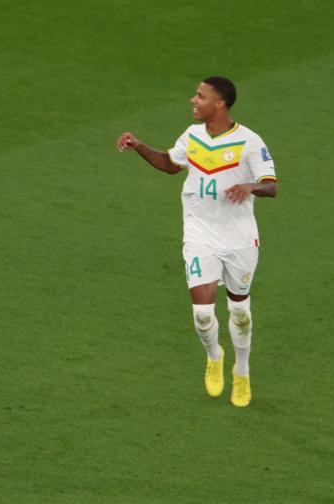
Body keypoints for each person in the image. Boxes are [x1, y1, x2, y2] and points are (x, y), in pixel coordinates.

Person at [117, 76, 277, 407]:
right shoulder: (192, 137)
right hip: (200, 235)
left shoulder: (248, 142)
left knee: (239, 310)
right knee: (203, 315)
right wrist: (139, 146)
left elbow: (271, 185)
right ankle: (214, 355)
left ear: (220, 104)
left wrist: (250, 187)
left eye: (200, 96)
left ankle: (242, 370)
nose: (193, 100)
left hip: (239, 239)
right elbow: (169, 164)